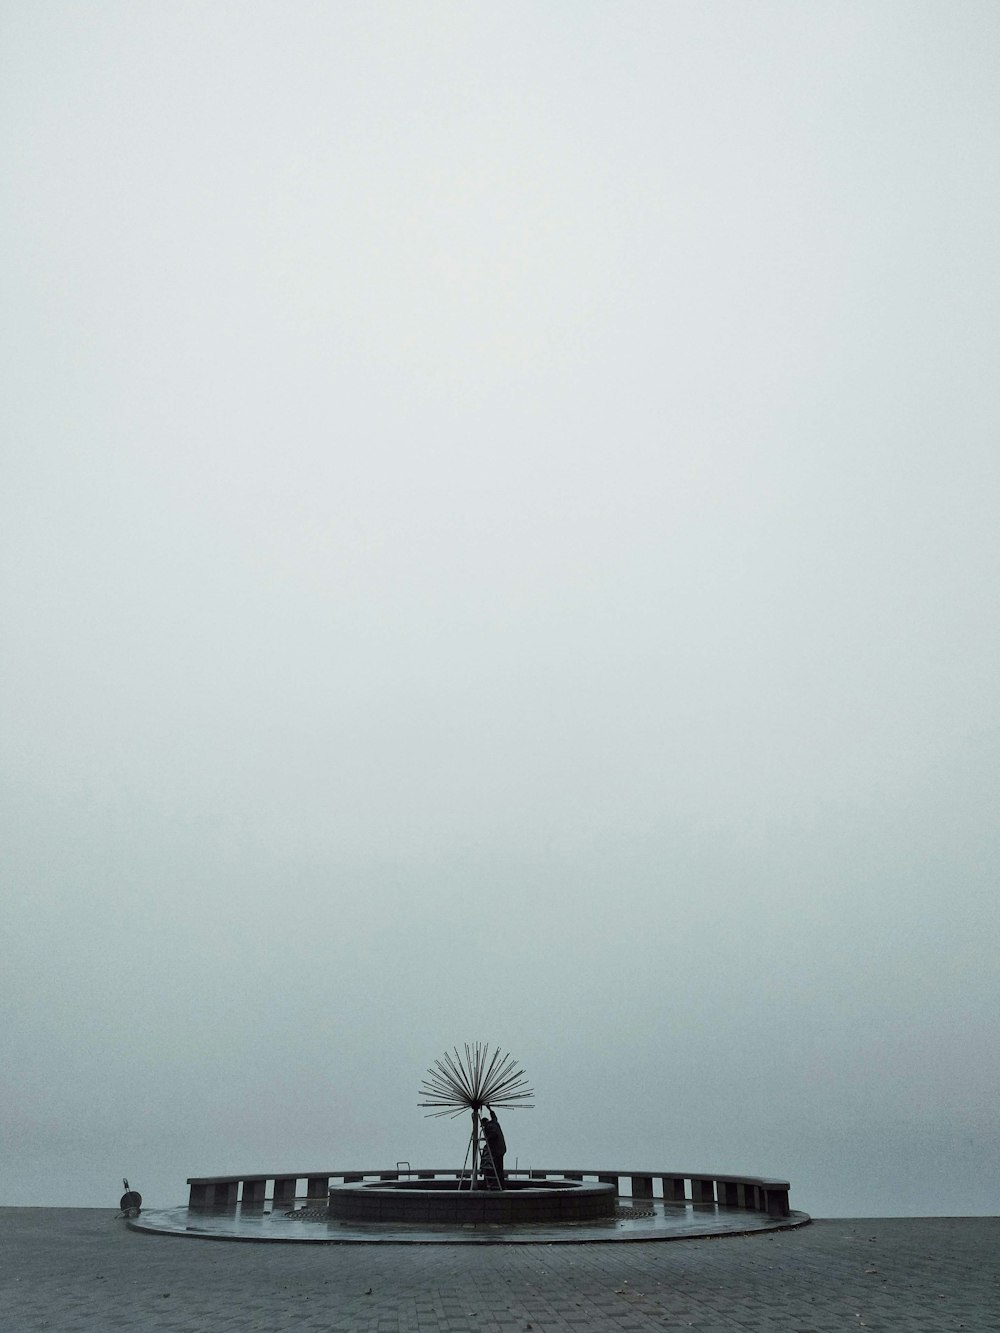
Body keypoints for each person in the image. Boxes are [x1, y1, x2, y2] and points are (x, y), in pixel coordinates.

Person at [480, 1105, 506, 1189]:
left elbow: (493, 1134)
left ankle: (497, 1184)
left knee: (496, 1168)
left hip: (496, 1150)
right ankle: (500, 1184)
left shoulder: (489, 1126)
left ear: (484, 1123)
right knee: (499, 1167)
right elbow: (494, 1116)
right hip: (502, 1148)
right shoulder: (494, 1122)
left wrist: (486, 1138)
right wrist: (489, 1108)